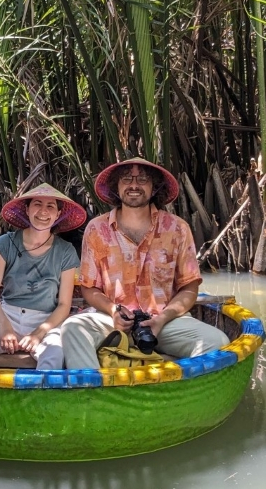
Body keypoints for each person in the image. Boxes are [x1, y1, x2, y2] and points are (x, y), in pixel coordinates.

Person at [61, 157, 229, 369]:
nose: (133, 185)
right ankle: (93, 393)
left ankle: (176, 392)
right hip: (111, 321)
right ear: (116, 186)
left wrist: (162, 319)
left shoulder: (177, 228)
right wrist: (113, 310)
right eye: (126, 179)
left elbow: (189, 288)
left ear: (154, 186)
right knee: (73, 329)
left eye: (142, 179)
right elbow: (89, 289)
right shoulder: (96, 229)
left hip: (164, 322)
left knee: (218, 342)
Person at [0, 183, 85, 369]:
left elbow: (64, 305)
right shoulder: (6, 243)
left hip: (45, 320)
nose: (43, 211)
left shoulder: (65, 251)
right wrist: (4, 325)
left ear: (58, 214)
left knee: (55, 349)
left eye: (50, 206)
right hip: (6, 314)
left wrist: (38, 334)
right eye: (37, 204)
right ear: (26, 209)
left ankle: (41, 397)